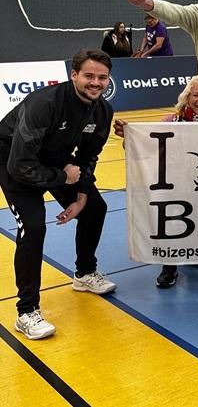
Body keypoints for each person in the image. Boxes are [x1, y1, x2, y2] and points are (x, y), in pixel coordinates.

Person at [0, 50, 116, 340]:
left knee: (95, 208)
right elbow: (20, 165)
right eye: (89, 75)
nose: (96, 82)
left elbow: (89, 157)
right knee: (34, 226)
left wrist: (80, 197)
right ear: (74, 75)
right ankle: (27, 312)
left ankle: (84, 274)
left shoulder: (102, 111)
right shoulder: (45, 103)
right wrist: (63, 176)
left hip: (53, 158)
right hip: (12, 159)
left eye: (102, 77)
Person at [113, 76, 198, 288]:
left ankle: (197, 253)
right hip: (174, 186)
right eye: (195, 95)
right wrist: (130, 137)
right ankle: (169, 266)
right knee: (172, 223)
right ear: (186, 98)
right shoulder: (170, 122)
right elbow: (144, 148)